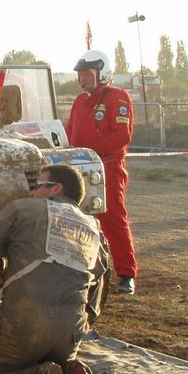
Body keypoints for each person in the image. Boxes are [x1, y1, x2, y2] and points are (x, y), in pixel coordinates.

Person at [0, 164, 106, 374]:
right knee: (53, 358)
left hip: (25, 317)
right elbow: (98, 279)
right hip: (71, 324)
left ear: (56, 188)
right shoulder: (92, 225)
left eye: (37, 186)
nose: (32, 192)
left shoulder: (22, 208)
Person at [66, 50, 138, 295]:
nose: (83, 79)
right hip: (78, 166)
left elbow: (122, 134)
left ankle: (127, 273)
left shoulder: (117, 98)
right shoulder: (78, 102)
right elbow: (69, 133)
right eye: (81, 74)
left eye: (87, 74)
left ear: (102, 73)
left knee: (113, 217)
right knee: (77, 219)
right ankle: (83, 269)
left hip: (106, 166)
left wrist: (91, 152)